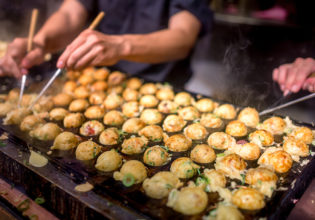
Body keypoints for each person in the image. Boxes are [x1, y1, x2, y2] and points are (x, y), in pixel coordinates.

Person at [0, 0, 212, 87]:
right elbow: (71, 12)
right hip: (100, 79)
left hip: (159, 82)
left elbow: (183, 36)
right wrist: (40, 42)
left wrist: (120, 46)